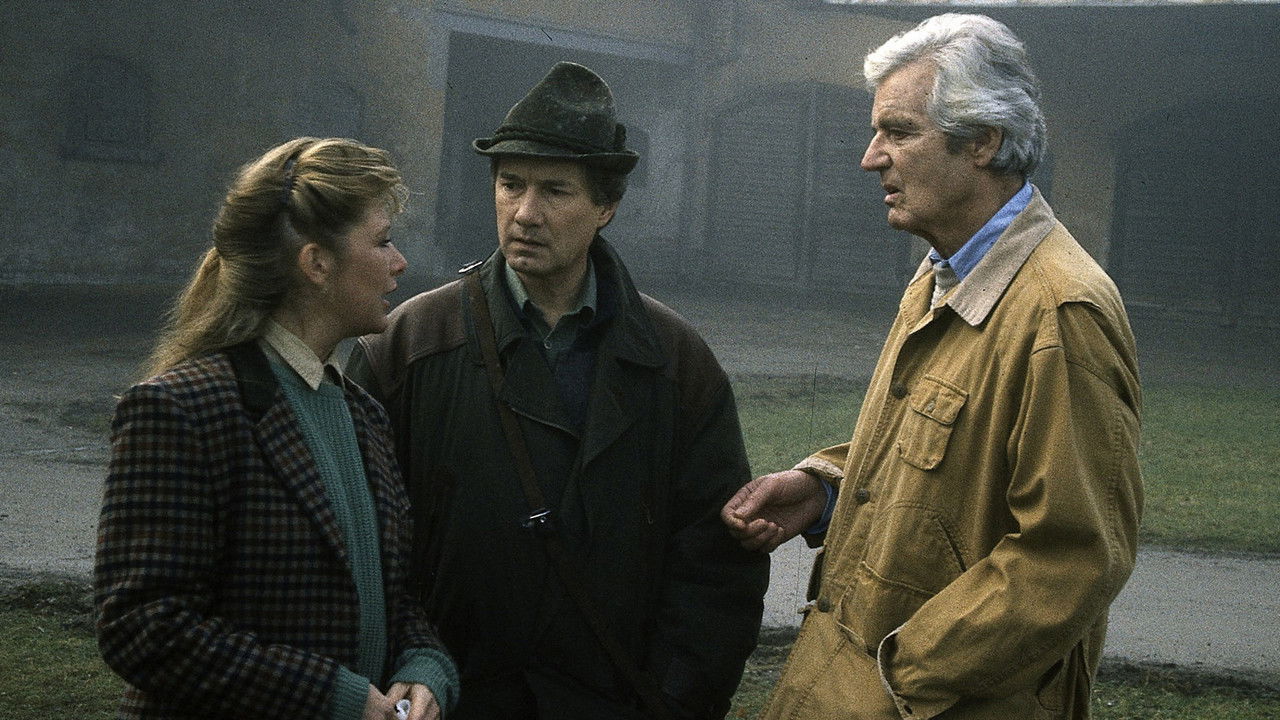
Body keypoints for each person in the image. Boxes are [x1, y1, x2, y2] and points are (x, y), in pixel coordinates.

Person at [721, 14, 1142, 720]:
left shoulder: (1060, 312)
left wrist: (900, 676)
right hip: (850, 676)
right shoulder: (942, 272)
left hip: (923, 700)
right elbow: (950, 456)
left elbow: (1071, 557)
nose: (871, 158)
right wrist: (824, 490)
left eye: (899, 131)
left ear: (983, 141)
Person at [348, 62, 769, 720]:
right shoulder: (410, 344)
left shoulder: (675, 361)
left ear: (606, 206)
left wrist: (673, 700)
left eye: (555, 190)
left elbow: (715, 565)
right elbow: (356, 546)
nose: (525, 213)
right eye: (510, 184)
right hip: (447, 701)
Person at [95, 137, 459, 720]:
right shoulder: (181, 409)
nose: (399, 263)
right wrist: (331, 697)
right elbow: (142, 626)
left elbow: (393, 594)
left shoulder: (363, 414)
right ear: (317, 264)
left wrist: (424, 668)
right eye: (382, 241)